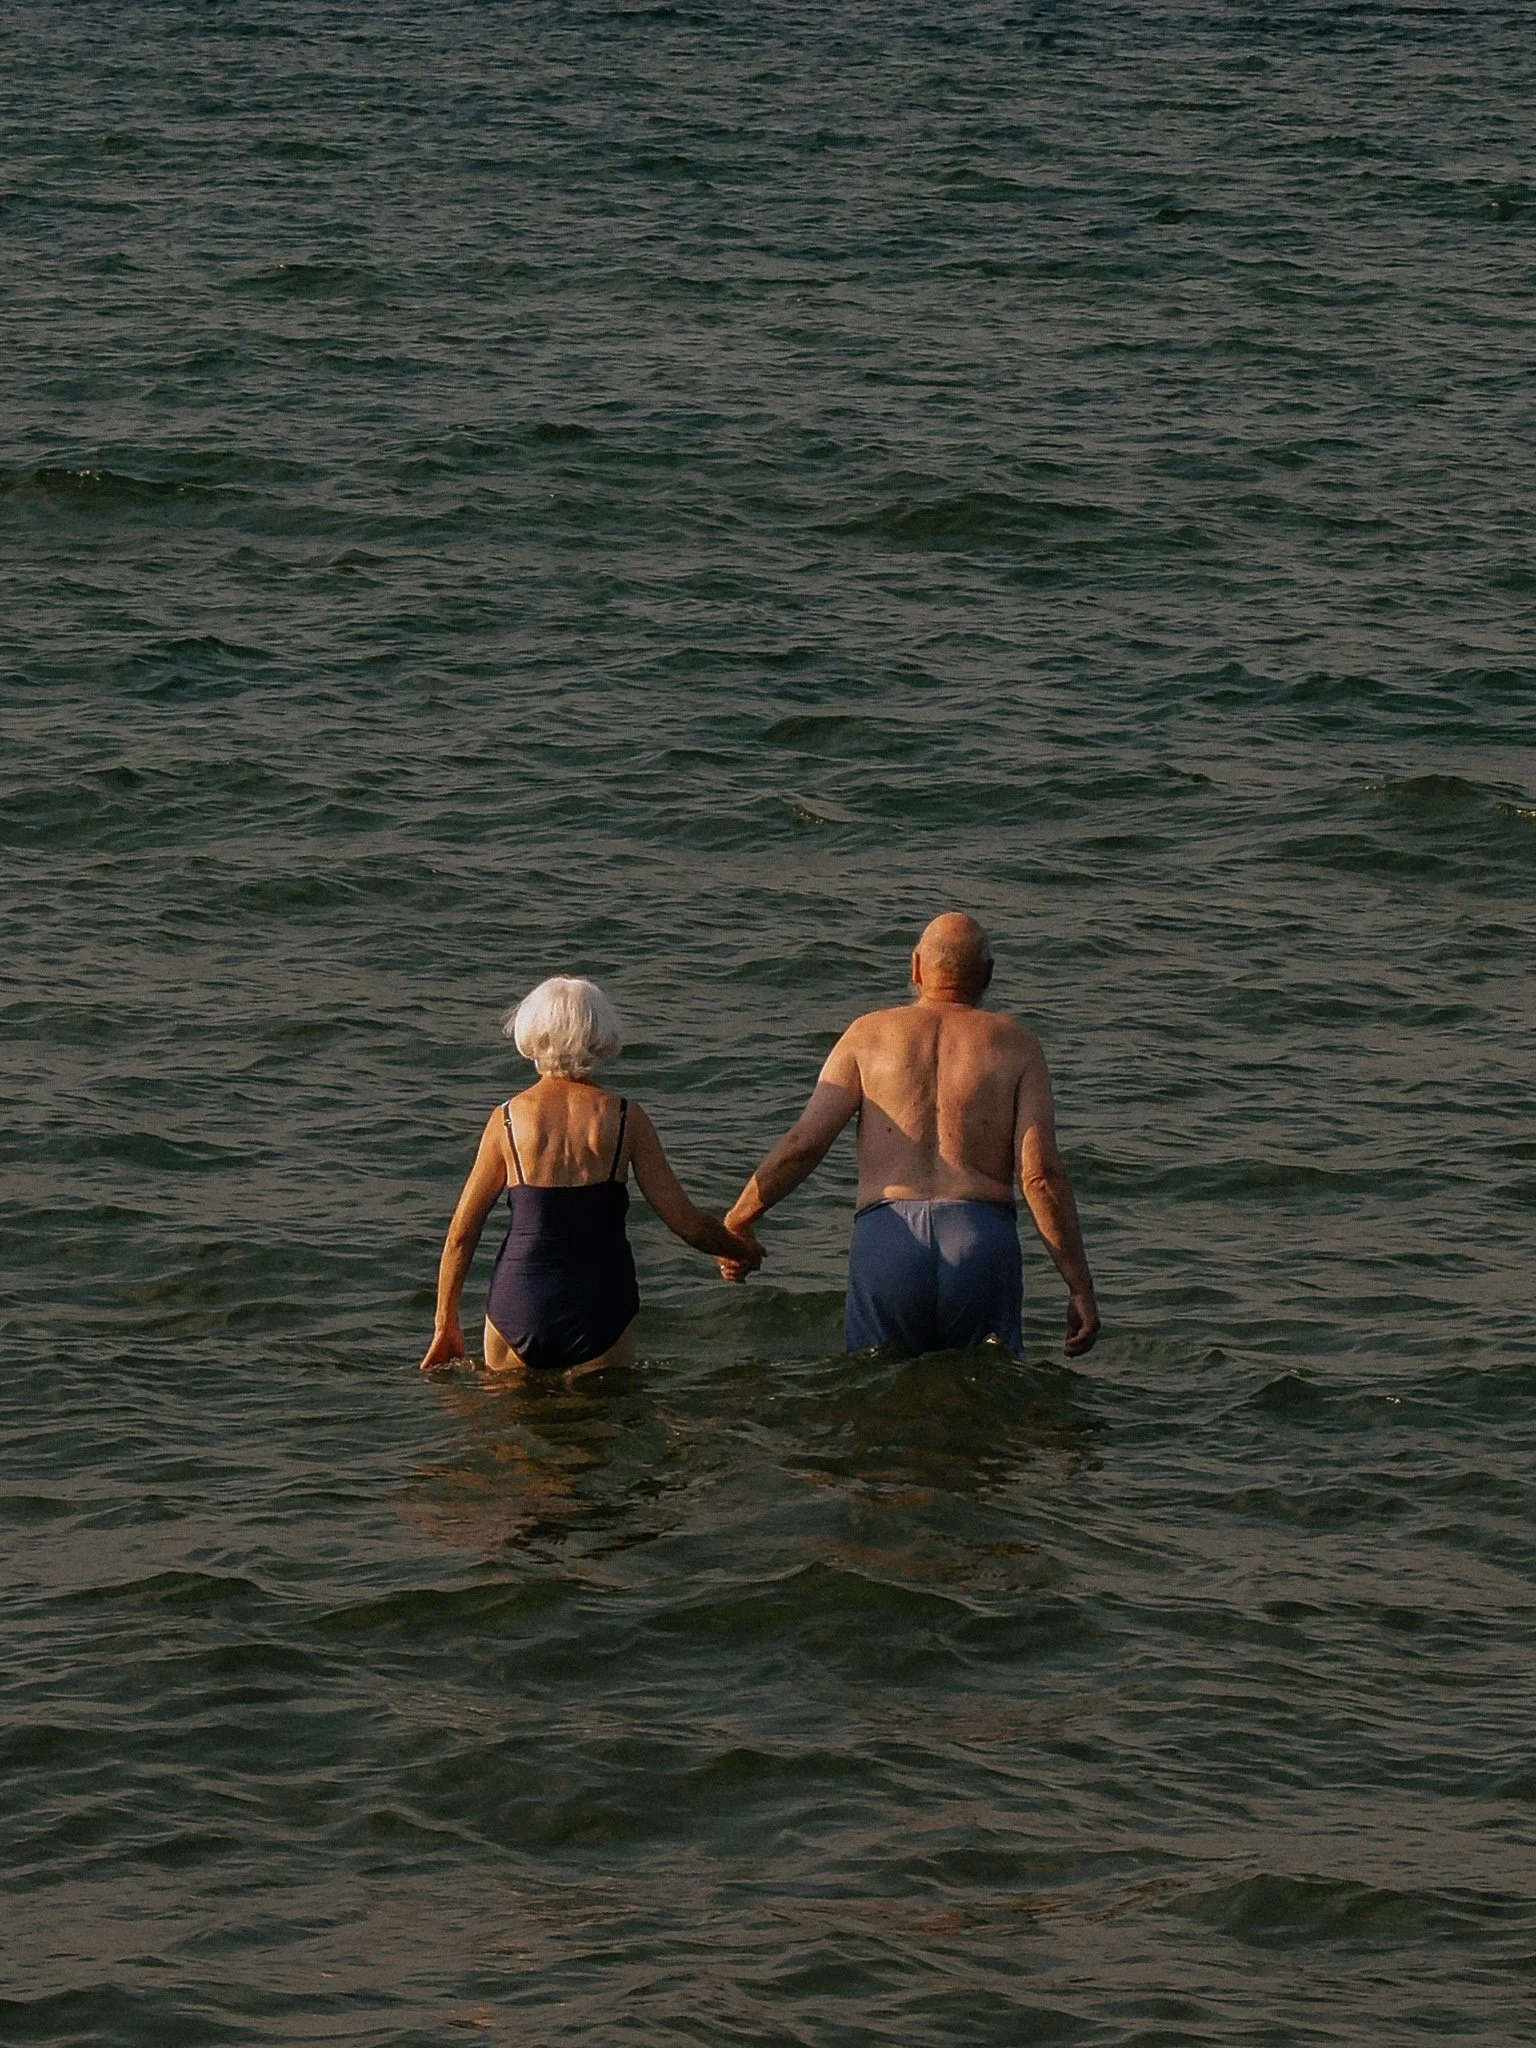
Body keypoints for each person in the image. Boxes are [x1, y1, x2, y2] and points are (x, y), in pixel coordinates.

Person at [718, 913, 1099, 1360]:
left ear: (915, 968)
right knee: (986, 1401)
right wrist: (1079, 1287)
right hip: (979, 1237)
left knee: (877, 1399)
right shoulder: (1018, 1044)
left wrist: (739, 1221)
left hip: (887, 1239)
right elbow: (1041, 1176)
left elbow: (804, 1145)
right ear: (989, 974)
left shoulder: (867, 1034)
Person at [420, 977, 763, 1376]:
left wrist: (445, 1323)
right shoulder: (625, 1117)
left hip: (520, 1302)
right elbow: (686, 1222)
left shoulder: (507, 1121)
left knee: (509, 1431)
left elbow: (462, 1231)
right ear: (599, 1033)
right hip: (602, 1304)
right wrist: (741, 1250)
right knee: (597, 1429)